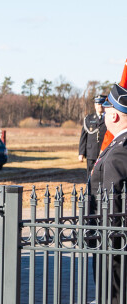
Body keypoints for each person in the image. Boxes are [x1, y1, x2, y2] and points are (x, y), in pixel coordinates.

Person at [89, 83, 127, 304]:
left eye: (106, 111)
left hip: (111, 243)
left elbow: (112, 201)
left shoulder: (118, 152)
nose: (103, 115)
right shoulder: (118, 144)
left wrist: (106, 240)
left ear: (113, 117)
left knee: (112, 295)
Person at [79, 95, 107, 177]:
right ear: (95, 105)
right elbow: (83, 137)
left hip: (105, 152)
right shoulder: (88, 118)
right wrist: (81, 153)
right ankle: (90, 189)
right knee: (90, 176)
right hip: (91, 153)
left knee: (104, 175)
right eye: (98, 104)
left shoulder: (110, 118)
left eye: (102, 104)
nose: (100, 106)